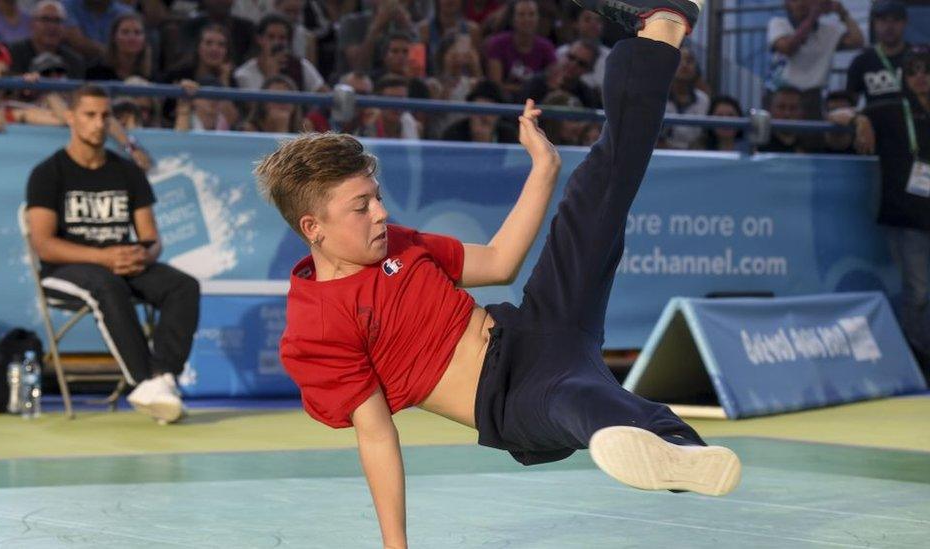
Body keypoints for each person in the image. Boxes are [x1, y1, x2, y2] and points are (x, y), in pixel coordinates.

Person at [255, 2, 740, 546]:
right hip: (510, 398)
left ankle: (662, 28)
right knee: (579, 402)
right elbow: (376, 436)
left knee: (599, 188)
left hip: (538, 327)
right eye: (361, 206)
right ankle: (678, 448)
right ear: (312, 227)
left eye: (377, 198)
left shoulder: (400, 245)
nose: (382, 213)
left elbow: (498, 262)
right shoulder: (315, 327)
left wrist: (545, 169)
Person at [25, 84, 200, 423]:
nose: (99, 123)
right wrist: (104, 257)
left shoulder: (127, 171)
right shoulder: (48, 173)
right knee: (105, 283)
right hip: (64, 271)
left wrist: (142, 256)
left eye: (106, 116)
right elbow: (43, 244)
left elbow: (151, 237)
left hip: (122, 265)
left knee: (183, 285)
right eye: (90, 115)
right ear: (72, 118)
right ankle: (146, 381)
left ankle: (163, 378)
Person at [832, 47, 930, 379]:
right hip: (907, 214)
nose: (921, 76)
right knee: (918, 292)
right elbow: (835, 114)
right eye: (914, 70)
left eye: (927, 69)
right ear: (903, 75)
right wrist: (860, 119)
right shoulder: (890, 108)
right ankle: (919, 360)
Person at [766, 0, 863, 120]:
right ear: (787, 4)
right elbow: (787, 48)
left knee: (812, 137)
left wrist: (842, 13)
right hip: (782, 95)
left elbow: (857, 41)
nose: (802, 3)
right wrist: (813, 16)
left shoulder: (829, 31)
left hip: (812, 97)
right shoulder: (779, 24)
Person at [234, 14, 326, 93]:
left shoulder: (301, 66)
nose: (276, 43)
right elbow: (256, 109)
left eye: (282, 38)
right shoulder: (244, 74)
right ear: (259, 39)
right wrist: (271, 75)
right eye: (271, 37)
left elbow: (325, 95)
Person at [483, 0, 556, 100]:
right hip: (503, 102)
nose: (527, 19)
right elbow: (496, 86)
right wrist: (531, 88)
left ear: (538, 18)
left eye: (531, 14)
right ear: (512, 19)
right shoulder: (497, 43)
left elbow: (552, 84)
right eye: (521, 15)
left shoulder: (547, 47)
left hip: (535, 104)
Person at [846, 0, 909, 106]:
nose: (889, 26)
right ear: (874, 24)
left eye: (896, 20)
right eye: (883, 20)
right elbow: (849, 104)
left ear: (905, 23)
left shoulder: (920, 57)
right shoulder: (861, 62)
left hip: (914, 121)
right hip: (874, 121)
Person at [8, 0, 86, 79]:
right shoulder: (12, 53)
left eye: (57, 21)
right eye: (45, 19)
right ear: (32, 23)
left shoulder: (74, 61)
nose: (52, 26)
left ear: (65, 27)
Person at [520, 38, 601, 107]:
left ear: (588, 70)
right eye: (571, 57)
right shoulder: (535, 83)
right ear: (563, 55)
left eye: (581, 64)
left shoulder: (587, 95)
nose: (573, 64)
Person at [661, 44, 709, 149]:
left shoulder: (703, 100)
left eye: (689, 61)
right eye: (679, 60)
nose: (684, 65)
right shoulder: (658, 97)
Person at [440, 78, 517, 143]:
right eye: (479, 111)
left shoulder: (509, 136)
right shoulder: (453, 135)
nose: (483, 117)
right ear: (470, 112)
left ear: (498, 115)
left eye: (489, 111)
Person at [84, 12, 154, 81]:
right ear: (114, 37)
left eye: (137, 32)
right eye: (125, 32)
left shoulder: (153, 75)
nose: (132, 38)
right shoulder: (96, 71)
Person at [759, 86, 809, 153]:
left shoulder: (811, 148)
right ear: (771, 110)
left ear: (802, 112)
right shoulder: (758, 149)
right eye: (781, 107)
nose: (787, 114)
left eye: (793, 108)